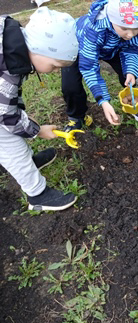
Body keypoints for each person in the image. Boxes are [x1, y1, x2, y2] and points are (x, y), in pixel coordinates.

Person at [0, 7, 79, 211]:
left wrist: (24, 117)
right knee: (11, 146)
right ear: (37, 49)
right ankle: (37, 195)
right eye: (54, 66)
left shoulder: (12, 42)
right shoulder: (8, 68)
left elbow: (9, 100)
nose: (55, 72)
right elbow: (6, 116)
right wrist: (36, 131)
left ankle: (29, 163)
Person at [61, 0, 138, 132]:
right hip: (79, 47)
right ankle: (77, 118)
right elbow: (89, 68)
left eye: (136, 29)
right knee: (70, 86)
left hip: (112, 46)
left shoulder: (132, 22)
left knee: (133, 73)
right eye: (125, 28)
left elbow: (131, 49)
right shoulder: (94, 30)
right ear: (111, 19)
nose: (131, 34)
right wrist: (103, 101)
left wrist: (131, 71)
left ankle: (134, 105)